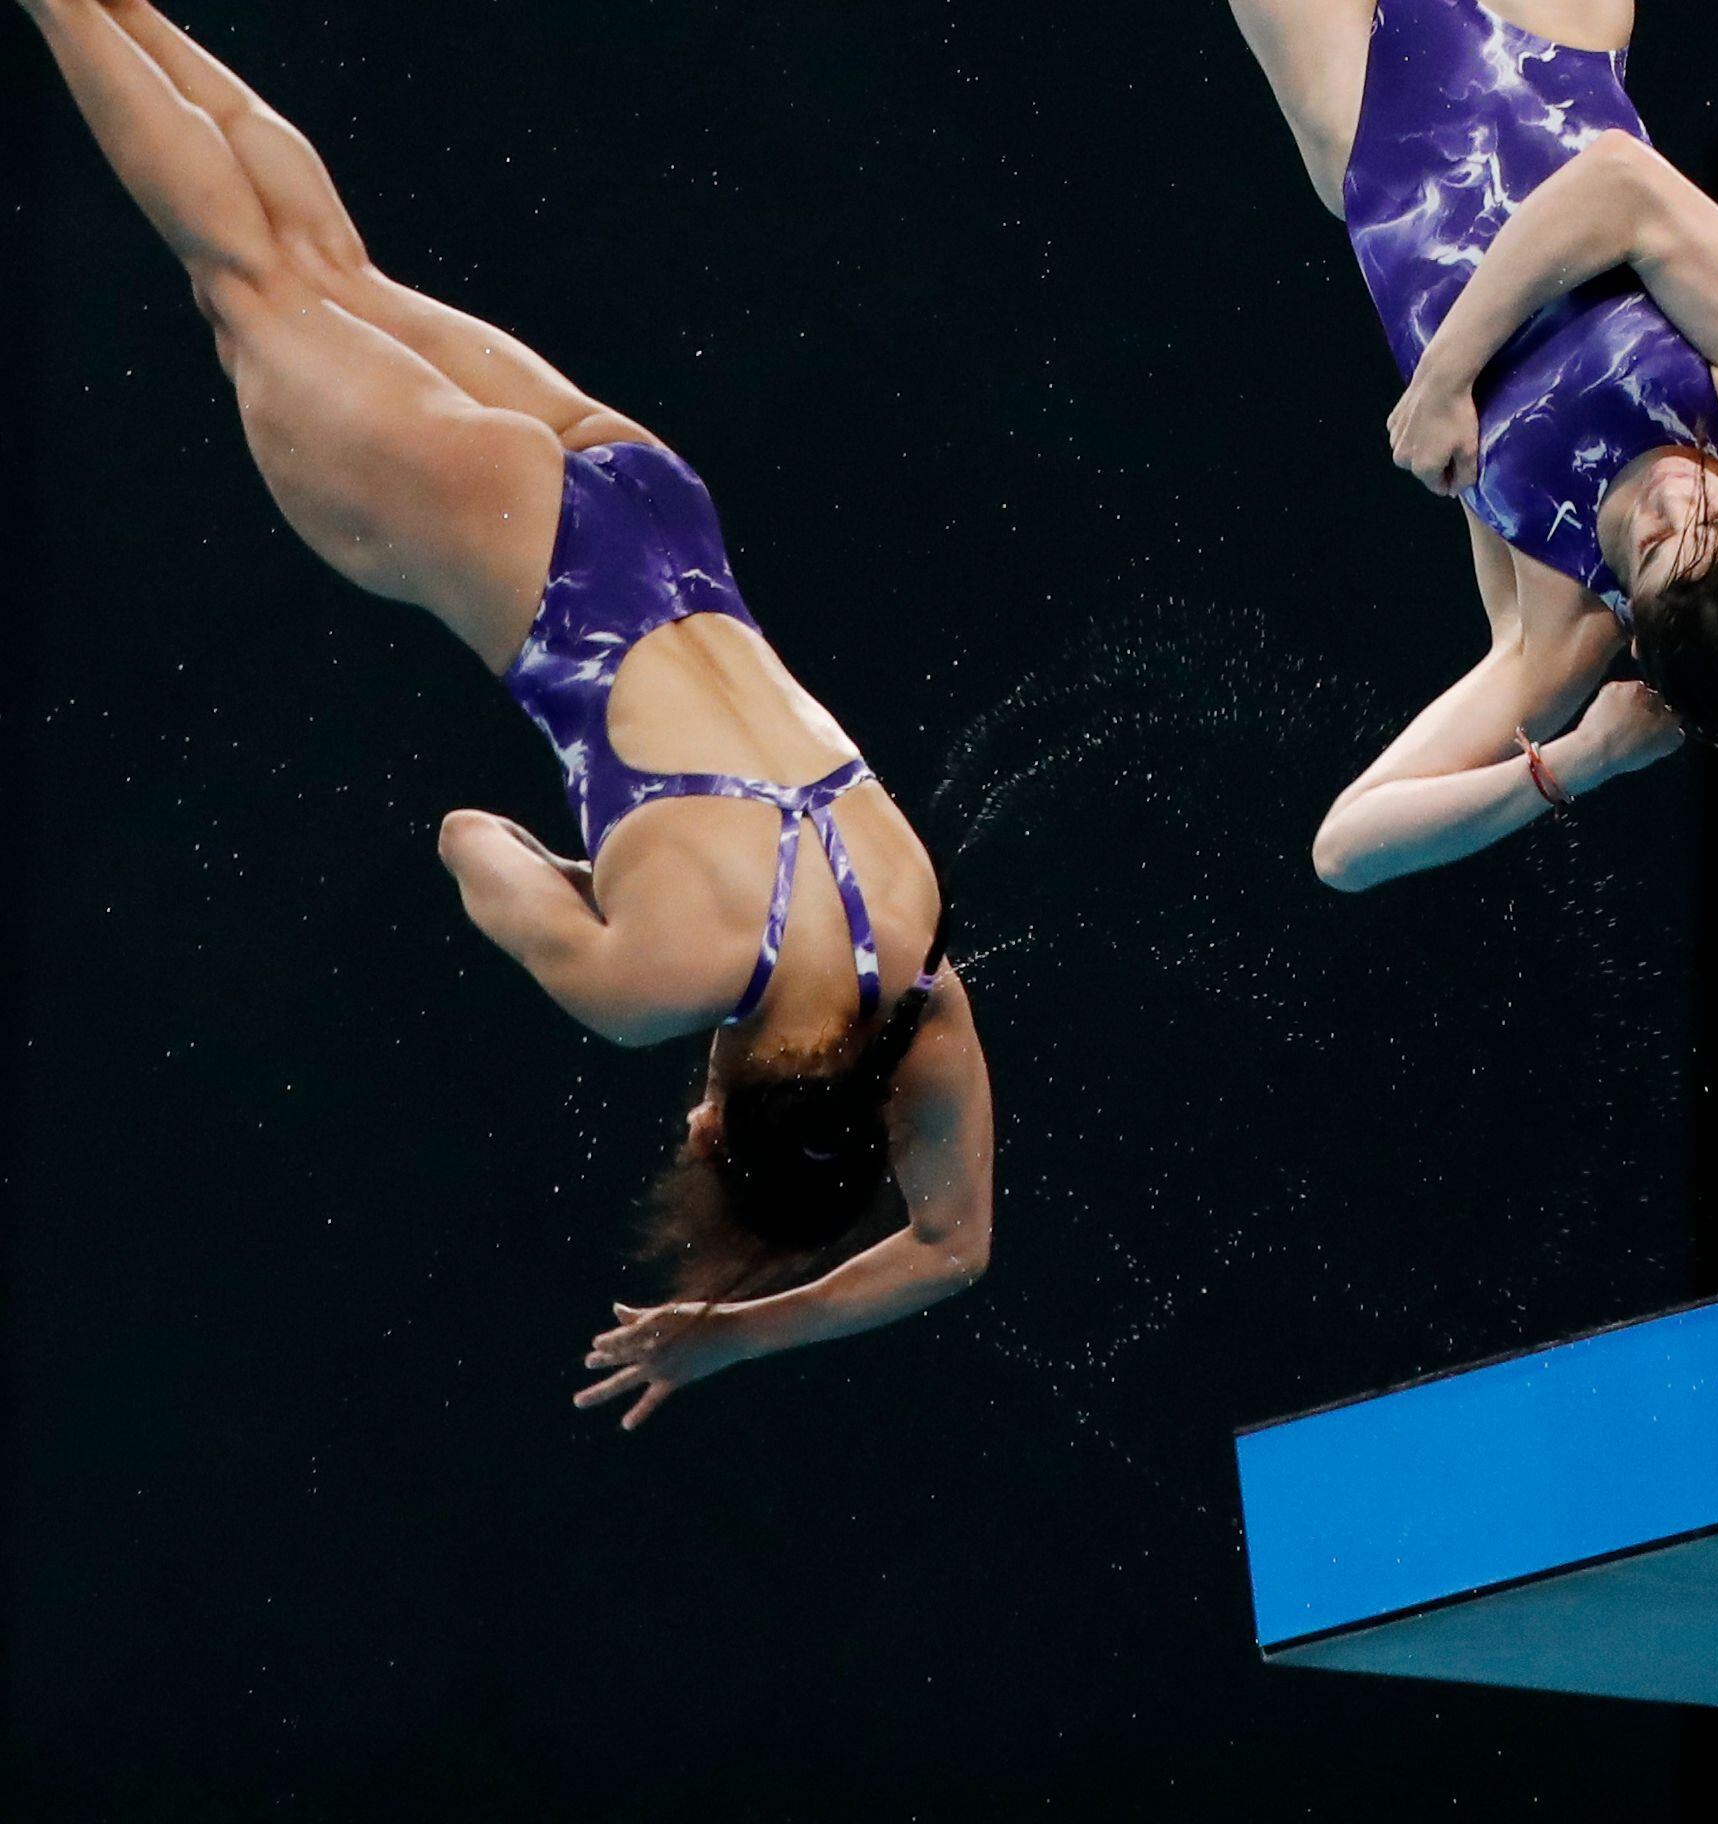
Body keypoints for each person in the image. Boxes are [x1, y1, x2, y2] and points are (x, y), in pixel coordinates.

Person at [21, 0, 994, 1428]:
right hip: (529, 565)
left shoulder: (923, 973)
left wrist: (737, 1329)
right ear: (720, 1120)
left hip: (654, 506)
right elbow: (470, 841)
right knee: (245, 288)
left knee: (324, 267)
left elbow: (957, 1247)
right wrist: (603, 889)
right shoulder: (659, 976)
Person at [1233, 0, 1718, 890]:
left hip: (1365, 131)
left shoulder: (1559, 630)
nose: (1677, 504)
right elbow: (1618, 184)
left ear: (1633, 621)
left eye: (1653, 548)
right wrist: (1445, 379)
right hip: (1540, 36)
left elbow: (1347, 850)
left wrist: (1579, 759)